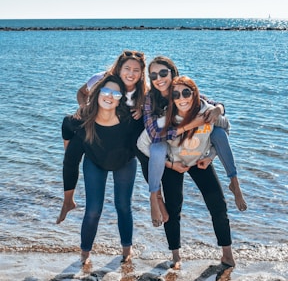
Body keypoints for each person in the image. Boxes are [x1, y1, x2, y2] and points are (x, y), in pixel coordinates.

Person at [136, 56, 246, 228]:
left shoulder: (182, 89)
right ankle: (155, 197)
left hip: (192, 148)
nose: (158, 79)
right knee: (155, 149)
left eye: (163, 73)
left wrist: (218, 109)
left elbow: (212, 104)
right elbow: (154, 134)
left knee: (218, 132)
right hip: (165, 147)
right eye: (153, 76)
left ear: (173, 73)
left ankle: (234, 181)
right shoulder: (151, 98)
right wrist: (191, 125)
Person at [56, 50, 147, 224]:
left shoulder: (143, 91)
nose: (131, 73)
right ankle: (68, 201)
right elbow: (82, 92)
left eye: (136, 70)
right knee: (70, 150)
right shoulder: (100, 79)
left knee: (123, 204)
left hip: (120, 146)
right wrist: (85, 108)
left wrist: (142, 109)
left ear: (142, 73)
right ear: (119, 68)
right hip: (95, 131)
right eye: (126, 68)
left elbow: (147, 115)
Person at [61, 74, 143, 265]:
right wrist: (68, 199)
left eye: (116, 93)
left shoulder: (130, 119)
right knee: (93, 210)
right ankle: (84, 255)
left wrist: (156, 195)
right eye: (106, 91)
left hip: (124, 162)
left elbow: (146, 154)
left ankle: (126, 252)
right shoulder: (83, 122)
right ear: (97, 94)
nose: (110, 95)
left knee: (123, 206)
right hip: (95, 162)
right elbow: (70, 157)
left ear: (122, 98)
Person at [163, 75, 235, 268]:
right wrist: (169, 165)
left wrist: (210, 156)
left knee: (218, 205)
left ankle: (227, 254)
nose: (181, 97)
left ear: (194, 93)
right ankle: (176, 257)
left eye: (186, 92)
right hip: (174, 163)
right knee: (173, 208)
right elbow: (152, 143)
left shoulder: (205, 111)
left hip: (199, 161)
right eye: (176, 94)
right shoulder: (167, 115)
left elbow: (223, 129)